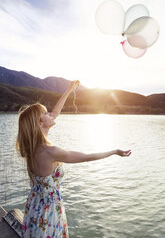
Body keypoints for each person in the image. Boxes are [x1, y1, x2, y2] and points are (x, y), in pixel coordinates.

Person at [16, 80, 131, 238]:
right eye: (46, 113)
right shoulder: (51, 152)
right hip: (49, 212)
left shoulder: (31, 147)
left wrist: (69, 90)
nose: (51, 113)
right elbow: (86, 157)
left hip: (35, 207)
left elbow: (55, 113)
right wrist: (113, 151)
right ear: (40, 122)